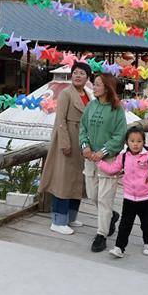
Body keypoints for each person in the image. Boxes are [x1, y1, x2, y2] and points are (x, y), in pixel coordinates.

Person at [98, 126, 148, 258]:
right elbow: (112, 169)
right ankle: (119, 247)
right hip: (129, 197)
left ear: (144, 142)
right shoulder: (123, 157)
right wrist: (99, 162)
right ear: (126, 142)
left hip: (145, 198)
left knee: (146, 222)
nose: (135, 144)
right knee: (125, 223)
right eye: (132, 141)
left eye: (139, 141)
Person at [39, 62, 92, 235]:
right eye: (75, 72)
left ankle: (71, 217)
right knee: (62, 180)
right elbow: (60, 121)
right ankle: (58, 220)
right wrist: (65, 143)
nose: (77, 76)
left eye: (82, 73)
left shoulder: (87, 95)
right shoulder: (65, 94)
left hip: (81, 141)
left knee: (77, 180)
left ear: (87, 77)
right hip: (68, 139)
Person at [80, 73, 127, 252]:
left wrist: (103, 151)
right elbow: (83, 127)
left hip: (109, 161)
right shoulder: (90, 105)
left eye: (98, 84)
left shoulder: (117, 110)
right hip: (90, 159)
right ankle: (112, 216)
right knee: (92, 195)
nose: (94, 87)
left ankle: (101, 234)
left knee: (104, 198)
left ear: (107, 88)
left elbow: (119, 135)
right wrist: (85, 146)